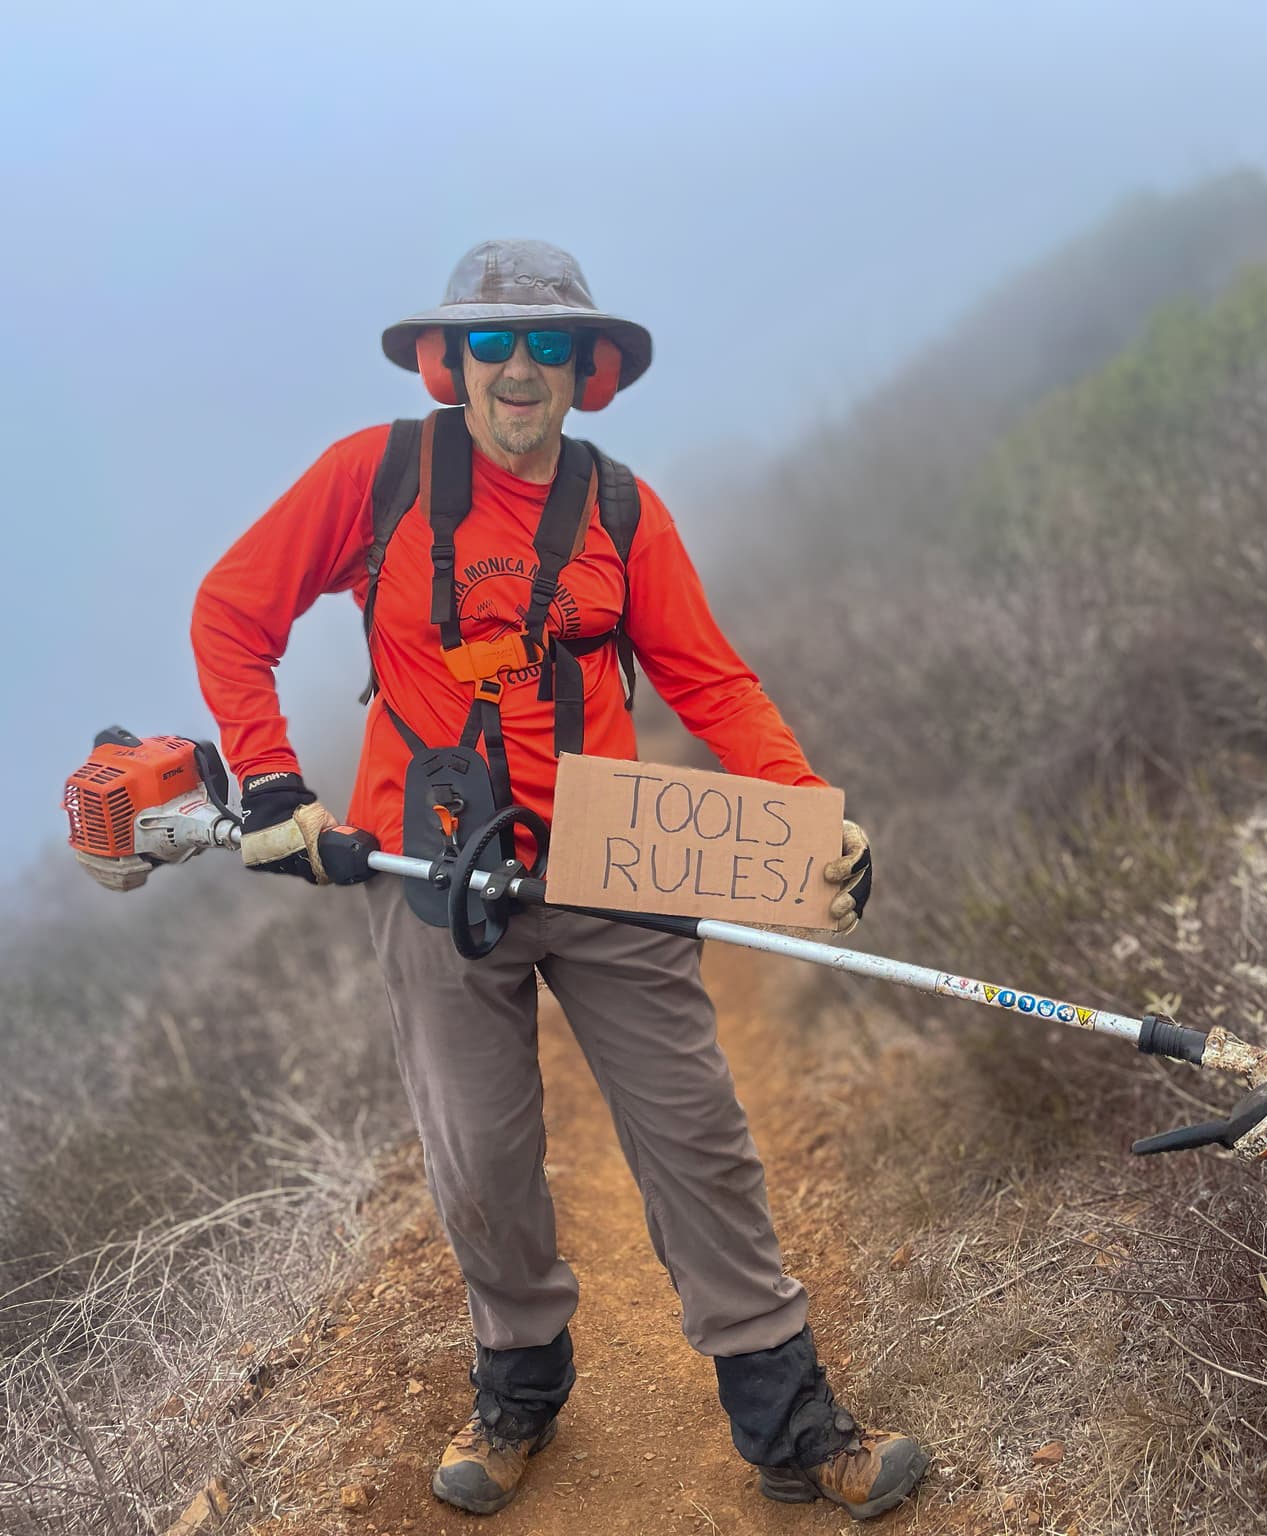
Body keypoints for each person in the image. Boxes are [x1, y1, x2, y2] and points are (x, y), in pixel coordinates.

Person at [190, 239, 928, 1520]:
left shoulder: (623, 511)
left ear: (588, 370)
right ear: (447, 362)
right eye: (489, 344)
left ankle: (790, 1422)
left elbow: (707, 679)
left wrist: (808, 813)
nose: (517, 369)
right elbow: (232, 613)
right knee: (479, 1153)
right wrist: (270, 785)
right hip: (427, 866)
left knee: (695, 1138)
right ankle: (518, 1392)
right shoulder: (374, 478)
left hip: (609, 859)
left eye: (544, 346)